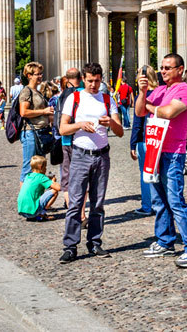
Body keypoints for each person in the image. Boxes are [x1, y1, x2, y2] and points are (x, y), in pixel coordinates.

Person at [135, 54, 187, 268]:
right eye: (161, 68)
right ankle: (165, 241)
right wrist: (142, 93)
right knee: (158, 200)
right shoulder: (160, 90)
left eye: (168, 68)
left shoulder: (185, 91)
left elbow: (168, 112)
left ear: (179, 69)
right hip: (155, 149)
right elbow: (139, 111)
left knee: (175, 201)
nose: (163, 71)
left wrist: (150, 106)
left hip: (173, 152)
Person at [58, 62, 123, 263]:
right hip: (80, 154)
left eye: (96, 81)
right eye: (89, 81)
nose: (93, 85)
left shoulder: (106, 99)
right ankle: (70, 245)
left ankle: (94, 242)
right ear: (83, 80)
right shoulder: (74, 98)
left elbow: (120, 131)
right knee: (76, 203)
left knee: (98, 202)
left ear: (101, 79)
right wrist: (79, 125)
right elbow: (62, 129)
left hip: (102, 155)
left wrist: (110, 123)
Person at [18, 62, 54, 183]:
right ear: (29, 75)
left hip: (40, 132)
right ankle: (24, 201)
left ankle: (35, 198)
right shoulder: (26, 91)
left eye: (41, 74)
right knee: (28, 168)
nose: (40, 76)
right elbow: (23, 112)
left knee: (39, 168)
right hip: (31, 133)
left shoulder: (37, 91)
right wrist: (44, 111)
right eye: (37, 74)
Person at [129, 66, 158, 215]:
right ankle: (159, 203)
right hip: (158, 138)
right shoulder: (160, 93)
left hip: (144, 139)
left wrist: (132, 143)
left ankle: (147, 206)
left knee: (145, 174)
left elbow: (138, 122)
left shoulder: (143, 95)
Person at [56, 68, 82, 212]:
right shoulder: (82, 94)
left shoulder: (62, 94)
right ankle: (79, 209)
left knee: (66, 174)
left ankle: (71, 207)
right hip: (81, 138)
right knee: (82, 176)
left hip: (65, 138)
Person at [17, 155, 59, 221]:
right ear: (41, 167)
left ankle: (37, 213)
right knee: (54, 191)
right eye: (45, 167)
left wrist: (48, 180)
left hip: (22, 211)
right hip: (33, 213)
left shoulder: (28, 176)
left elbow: (38, 182)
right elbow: (58, 188)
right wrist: (53, 181)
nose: (46, 168)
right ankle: (41, 214)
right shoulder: (41, 177)